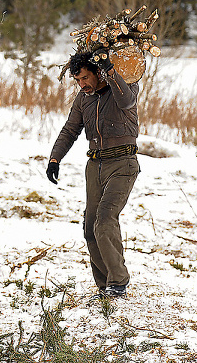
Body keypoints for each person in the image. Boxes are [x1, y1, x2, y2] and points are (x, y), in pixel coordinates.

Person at [46, 50, 140, 298]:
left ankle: (118, 281)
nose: (82, 84)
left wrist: (111, 70)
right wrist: (55, 158)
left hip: (123, 163)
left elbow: (127, 102)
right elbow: (70, 129)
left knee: (105, 219)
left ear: (98, 72)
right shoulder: (83, 98)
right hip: (95, 166)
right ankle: (105, 284)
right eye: (77, 80)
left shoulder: (124, 86)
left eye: (85, 78)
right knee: (90, 226)